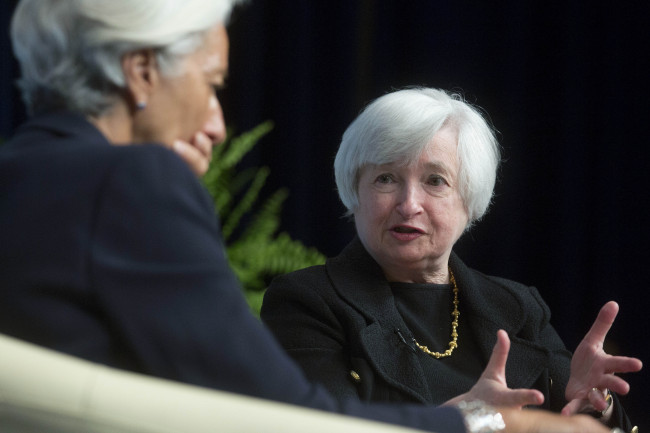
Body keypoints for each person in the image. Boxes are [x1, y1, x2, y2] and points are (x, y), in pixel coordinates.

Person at [0, 1, 618, 432]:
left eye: (435, 182)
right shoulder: (130, 181)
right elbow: (282, 416)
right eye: (212, 83)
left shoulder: (22, 173)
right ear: (140, 73)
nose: (216, 122)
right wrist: (489, 424)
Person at [261, 88, 643, 430]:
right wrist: (465, 421)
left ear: (470, 202)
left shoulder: (517, 307)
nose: (409, 205)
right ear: (354, 190)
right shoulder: (306, 303)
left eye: (435, 180)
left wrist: (594, 405)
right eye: (386, 178)